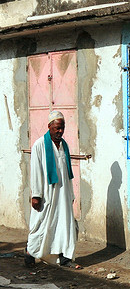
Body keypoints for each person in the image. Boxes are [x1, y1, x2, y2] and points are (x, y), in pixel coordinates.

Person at [25, 110, 81, 269]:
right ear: (49, 127)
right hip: (46, 193)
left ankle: (65, 257)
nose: (60, 131)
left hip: (63, 194)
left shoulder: (64, 145)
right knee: (41, 223)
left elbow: (67, 173)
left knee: (64, 224)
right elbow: (35, 171)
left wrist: (70, 193)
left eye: (62, 128)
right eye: (57, 128)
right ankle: (30, 252)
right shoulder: (39, 145)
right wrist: (36, 195)